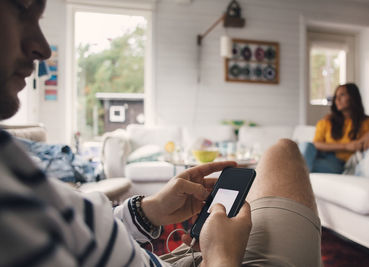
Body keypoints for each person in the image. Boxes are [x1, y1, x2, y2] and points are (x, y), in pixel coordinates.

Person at [0, 0, 321, 266]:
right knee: (283, 153)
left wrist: (147, 210)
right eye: (21, 9)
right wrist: (222, 257)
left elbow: (73, 225)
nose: (42, 48)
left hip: (151, 256)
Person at [300, 83, 369, 174]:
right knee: (306, 145)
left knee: (302, 167)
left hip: (338, 163)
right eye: (336, 97)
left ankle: (294, 178)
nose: (337, 100)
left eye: (342, 95)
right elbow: (316, 144)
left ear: (353, 97)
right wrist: (346, 146)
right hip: (318, 156)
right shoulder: (328, 121)